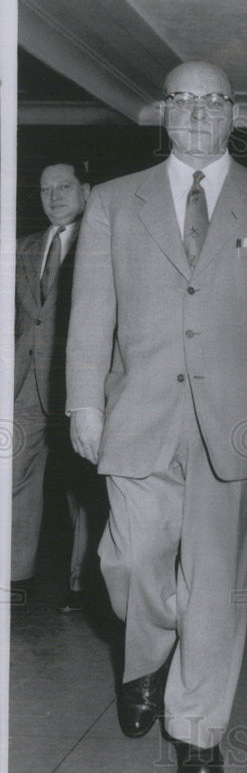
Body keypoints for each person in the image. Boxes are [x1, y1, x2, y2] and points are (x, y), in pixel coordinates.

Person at [66, 61, 247, 773]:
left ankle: (198, 725)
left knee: (216, 582)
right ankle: (144, 659)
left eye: (213, 101)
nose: (198, 111)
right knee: (127, 560)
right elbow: (91, 315)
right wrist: (84, 403)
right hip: (136, 414)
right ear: (163, 111)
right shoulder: (116, 202)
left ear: (234, 112)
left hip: (238, 421)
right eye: (184, 99)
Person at [12, 160, 100, 613]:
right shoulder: (23, 247)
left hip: (79, 386)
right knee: (14, 478)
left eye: (65, 187)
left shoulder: (102, 243)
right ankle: (14, 577)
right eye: (46, 189)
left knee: (83, 488)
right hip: (26, 386)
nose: (55, 197)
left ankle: (81, 584)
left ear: (86, 191)